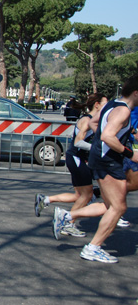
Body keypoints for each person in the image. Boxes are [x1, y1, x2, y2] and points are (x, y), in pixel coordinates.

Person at [53, 76, 138, 263]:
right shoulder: (123, 111)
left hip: (101, 158)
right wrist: (130, 154)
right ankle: (93, 248)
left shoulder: (113, 103)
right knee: (119, 207)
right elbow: (108, 135)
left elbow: (95, 123)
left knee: (110, 206)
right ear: (136, 93)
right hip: (108, 161)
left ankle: (68, 215)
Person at [34, 93, 108, 237]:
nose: (108, 106)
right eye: (106, 103)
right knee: (86, 195)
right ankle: (68, 222)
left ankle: (46, 200)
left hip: (77, 159)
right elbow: (78, 142)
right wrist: (97, 149)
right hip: (76, 158)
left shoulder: (93, 120)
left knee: (80, 195)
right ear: (97, 105)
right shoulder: (87, 120)